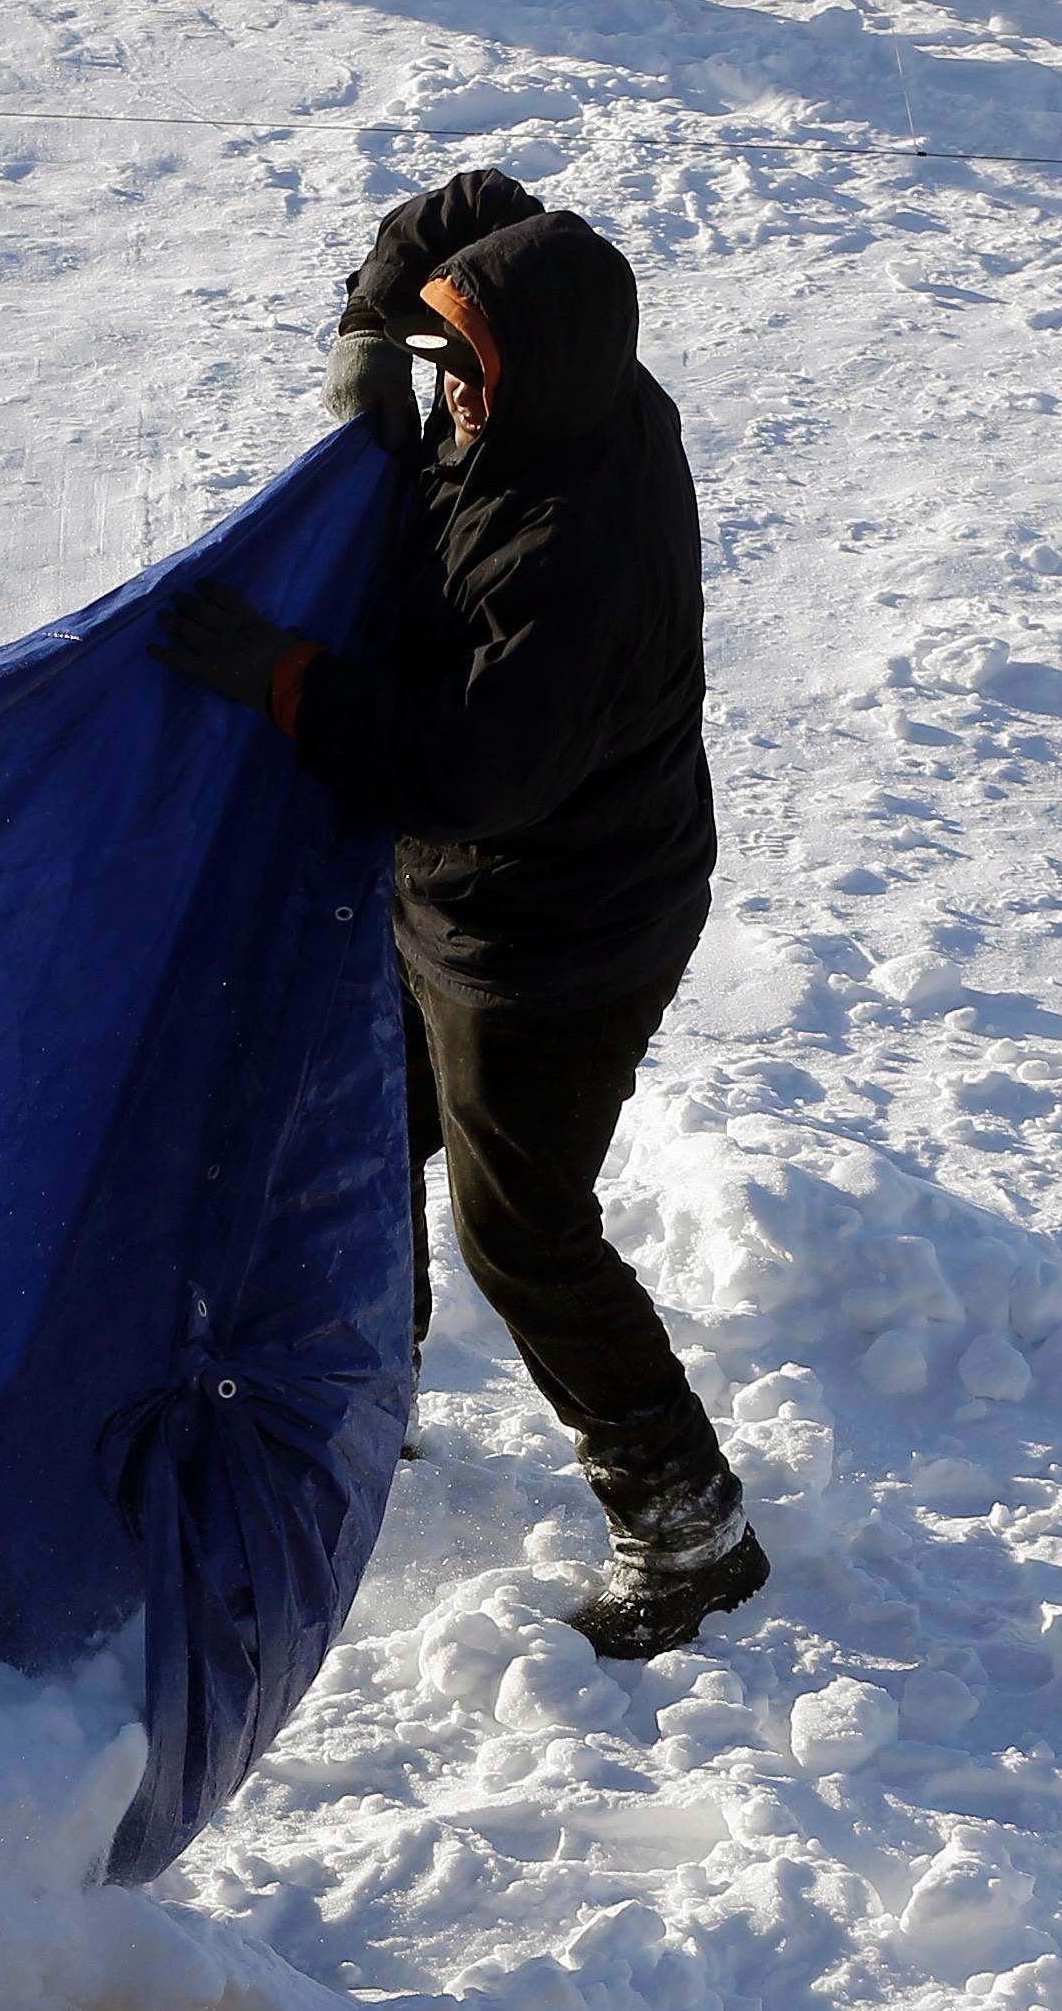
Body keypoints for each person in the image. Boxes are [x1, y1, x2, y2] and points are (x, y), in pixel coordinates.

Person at [157, 171, 765, 1662]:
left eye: (467, 373)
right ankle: (366, 1394)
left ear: (537, 373)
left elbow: (470, 771)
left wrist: (283, 680)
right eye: (450, 370)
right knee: (361, 1131)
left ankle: (690, 1527)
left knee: (523, 1228)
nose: (451, 399)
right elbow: (483, 210)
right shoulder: (564, 383)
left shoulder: (573, 551)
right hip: (458, 904)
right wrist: (377, 329)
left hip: (555, 941)